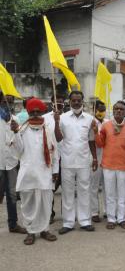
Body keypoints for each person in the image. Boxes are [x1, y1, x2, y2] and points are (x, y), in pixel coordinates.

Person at [11, 98, 59, 245]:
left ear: (43, 112)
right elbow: (18, 151)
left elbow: (55, 152)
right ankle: (31, 232)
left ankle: (44, 229)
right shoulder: (22, 130)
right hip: (28, 174)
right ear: (28, 112)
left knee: (45, 203)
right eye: (33, 112)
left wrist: (55, 171)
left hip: (45, 173)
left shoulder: (48, 130)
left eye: (39, 111)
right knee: (28, 204)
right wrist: (15, 133)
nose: (36, 114)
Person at [58, 91, 98, 234]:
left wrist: (94, 158)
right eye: (73, 100)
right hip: (67, 161)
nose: (76, 103)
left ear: (83, 101)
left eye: (78, 100)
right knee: (67, 192)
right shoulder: (62, 118)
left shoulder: (89, 119)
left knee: (84, 191)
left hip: (83, 161)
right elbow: (57, 138)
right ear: (69, 101)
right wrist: (56, 123)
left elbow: (92, 140)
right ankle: (68, 222)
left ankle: (85, 221)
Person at [95, 101, 125, 230]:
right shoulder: (106, 126)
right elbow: (100, 144)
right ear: (113, 110)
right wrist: (96, 132)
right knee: (110, 193)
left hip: (123, 165)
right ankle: (111, 218)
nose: (118, 111)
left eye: (121, 109)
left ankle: (121, 218)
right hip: (108, 165)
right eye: (116, 109)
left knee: (122, 194)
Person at [0, 92, 26, 234]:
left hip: (11, 164)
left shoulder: (15, 120)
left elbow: (21, 147)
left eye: (9, 102)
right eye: (4, 102)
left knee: (11, 195)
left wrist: (16, 131)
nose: (7, 105)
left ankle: (13, 224)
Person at [43, 94, 66, 223]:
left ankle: (66, 215)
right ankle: (50, 213)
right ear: (52, 103)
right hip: (52, 159)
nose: (59, 104)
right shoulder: (45, 118)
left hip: (66, 158)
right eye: (57, 102)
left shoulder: (68, 117)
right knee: (51, 187)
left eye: (61, 102)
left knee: (67, 188)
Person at [90, 100, 108, 223]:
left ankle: (108, 211)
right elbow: (90, 141)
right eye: (99, 109)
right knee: (94, 186)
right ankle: (94, 212)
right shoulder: (90, 122)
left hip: (107, 158)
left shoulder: (108, 123)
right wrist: (95, 158)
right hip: (94, 157)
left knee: (107, 186)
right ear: (94, 110)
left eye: (103, 110)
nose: (101, 112)